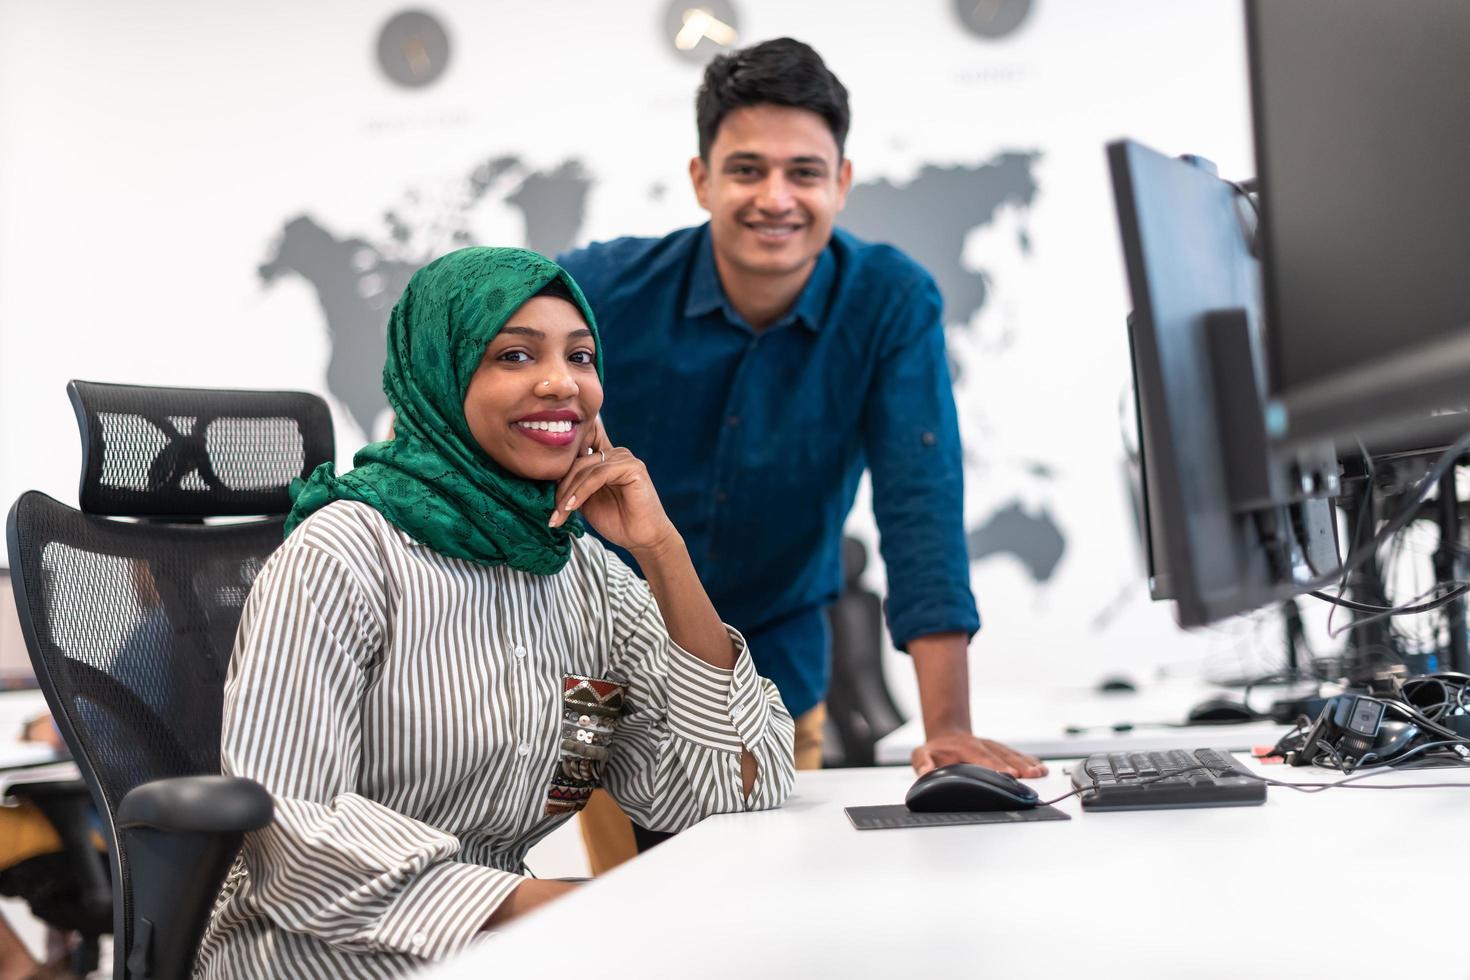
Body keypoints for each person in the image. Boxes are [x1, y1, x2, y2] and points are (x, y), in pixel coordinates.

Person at [195, 247, 795, 978]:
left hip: (510, 946)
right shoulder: (347, 550)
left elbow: (733, 789)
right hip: (313, 951)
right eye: (513, 355)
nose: (560, 383)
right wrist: (558, 907)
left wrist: (662, 550)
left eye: (581, 356)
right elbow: (290, 828)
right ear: (441, 375)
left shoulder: (584, 573)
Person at [557, 37, 1045, 872]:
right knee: (633, 907)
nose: (775, 198)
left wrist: (948, 731)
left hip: (774, 667)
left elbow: (918, 503)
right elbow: (471, 385)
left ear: (841, 184)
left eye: (804, 172)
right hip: (600, 670)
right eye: (746, 169)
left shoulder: (890, 301)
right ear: (701, 178)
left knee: (767, 901)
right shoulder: (598, 290)